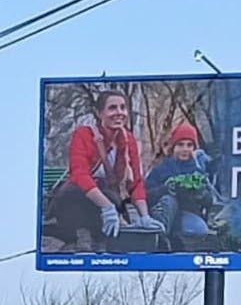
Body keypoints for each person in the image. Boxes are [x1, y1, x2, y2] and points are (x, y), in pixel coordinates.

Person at [45, 89, 165, 249]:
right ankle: (77, 239)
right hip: (77, 198)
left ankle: (101, 242)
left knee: (114, 198)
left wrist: (145, 216)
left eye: (123, 107)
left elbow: (135, 182)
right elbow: (79, 175)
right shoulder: (83, 135)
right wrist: (107, 206)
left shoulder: (128, 140)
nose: (119, 113)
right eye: (112, 108)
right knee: (99, 194)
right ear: (99, 113)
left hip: (109, 199)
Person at [146, 122, 226, 248]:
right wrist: (166, 189)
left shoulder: (198, 172)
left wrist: (201, 195)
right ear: (173, 147)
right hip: (164, 214)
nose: (185, 149)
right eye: (180, 145)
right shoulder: (161, 169)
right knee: (169, 201)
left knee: (200, 229)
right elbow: (147, 195)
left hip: (186, 215)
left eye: (189, 145)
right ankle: (161, 240)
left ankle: (175, 237)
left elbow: (210, 200)